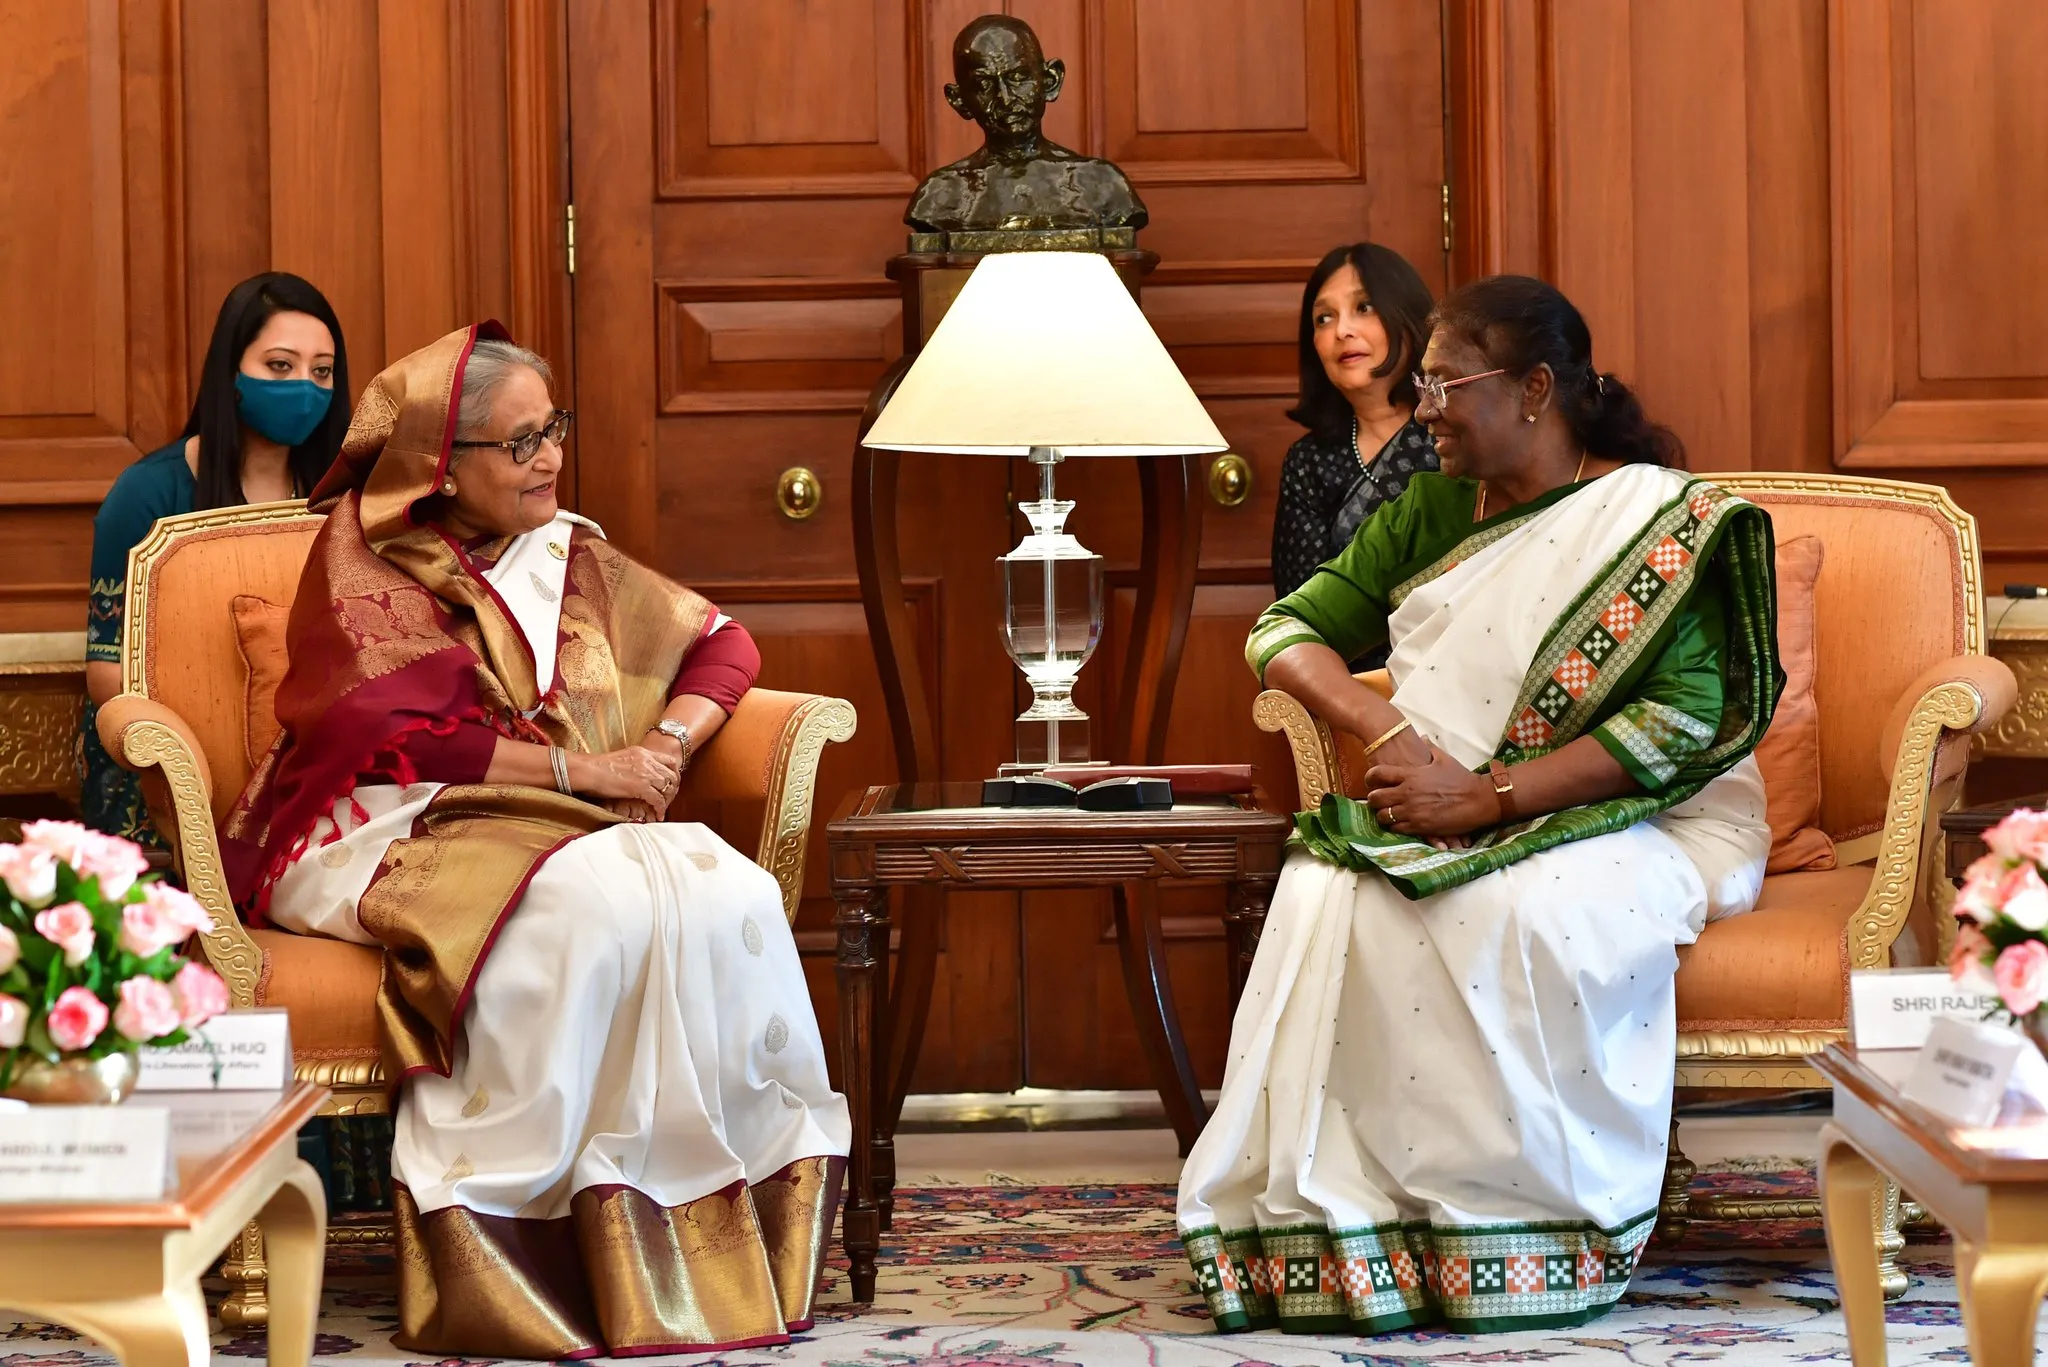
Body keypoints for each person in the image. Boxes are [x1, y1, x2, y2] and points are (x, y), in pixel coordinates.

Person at [219, 324, 849, 1357]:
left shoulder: (572, 552)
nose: (547, 457)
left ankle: (716, 1228)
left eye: (550, 430)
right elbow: (381, 735)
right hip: (385, 813)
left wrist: (664, 745)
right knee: (588, 899)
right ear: (442, 463)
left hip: (570, 813)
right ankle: (534, 1241)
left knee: (718, 885)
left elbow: (723, 645)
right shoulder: (366, 562)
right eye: (517, 444)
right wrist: (585, 773)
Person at [1180, 276, 1781, 1335]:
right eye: (1421, 385)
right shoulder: (1429, 506)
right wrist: (1385, 734)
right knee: (1329, 892)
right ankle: (1368, 1235)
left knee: (1502, 911)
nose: (1423, 409)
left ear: (1534, 389)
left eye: (1444, 384)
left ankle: (1519, 1232)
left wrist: (1493, 795)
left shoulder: (1653, 518)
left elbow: (1681, 725)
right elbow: (1281, 632)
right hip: (1449, 796)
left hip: (1651, 811)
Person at [83, 272, 349, 847]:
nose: (305, 386)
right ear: (231, 374)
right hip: (179, 772)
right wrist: (199, 747)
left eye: (321, 371)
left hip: (320, 758)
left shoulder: (347, 497)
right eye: (280, 366)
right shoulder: (149, 494)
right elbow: (108, 668)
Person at [1270, 244, 1438, 623]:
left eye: (1363, 308)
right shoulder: (1310, 463)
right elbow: (1298, 617)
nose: (1342, 331)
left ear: (1407, 315)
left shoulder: (1458, 433)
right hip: (1347, 675)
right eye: (1324, 319)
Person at [906, 14, 1146, 234]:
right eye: (984, 85)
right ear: (959, 101)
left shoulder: (1101, 185)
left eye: (1019, 78)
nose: (1006, 99)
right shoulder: (941, 195)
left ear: (1050, 81)